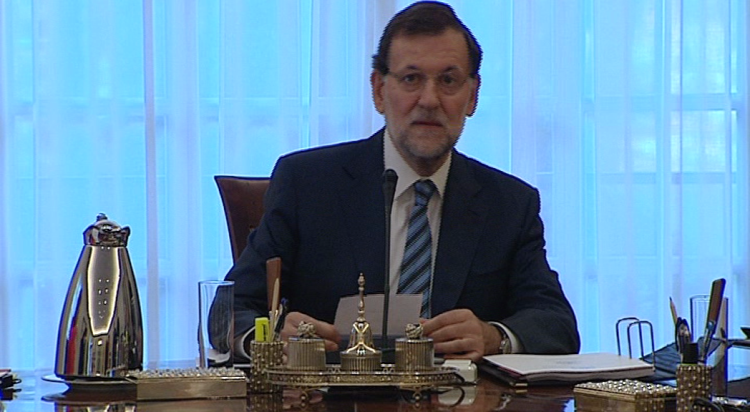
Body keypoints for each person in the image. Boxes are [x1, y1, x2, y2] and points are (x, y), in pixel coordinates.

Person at [226, 0, 580, 362]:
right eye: (411, 79)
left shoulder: (509, 204)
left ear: (472, 96)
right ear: (379, 91)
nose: (429, 100)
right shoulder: (307, 184)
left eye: (448, 81)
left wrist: (495, 337)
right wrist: (271, 342)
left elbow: (555, 323)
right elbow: (232, 308)